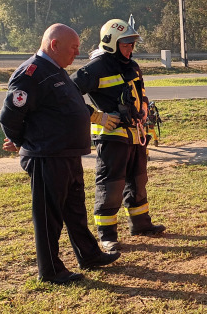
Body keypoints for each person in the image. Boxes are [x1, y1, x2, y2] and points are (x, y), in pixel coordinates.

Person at [0, 23, 121, 285]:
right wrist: (24, 143)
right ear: (54, 45)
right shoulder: (30, 74)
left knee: (75, 210)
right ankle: (51, 270)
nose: (76, 54)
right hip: (47, 156)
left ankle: (88, 255)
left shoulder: (55, 70)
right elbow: (10, 116)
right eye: (73, 48)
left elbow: (68, 104)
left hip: (67, 154)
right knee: (48, 216)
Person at [71, 18, 166, 252]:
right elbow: (66, 92)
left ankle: (141, 224)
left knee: (138, 179)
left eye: (132, 44)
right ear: (110, 43)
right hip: (111, 134)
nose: (130, 48)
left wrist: (143, 105)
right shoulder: (95, 68)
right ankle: (107, 235)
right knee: (112, 184)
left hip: (135, 132)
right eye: (126, 44)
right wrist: (95, 116)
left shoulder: (131, 65)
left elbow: (139, 91)